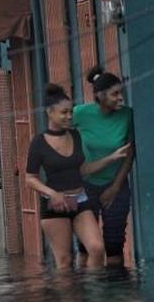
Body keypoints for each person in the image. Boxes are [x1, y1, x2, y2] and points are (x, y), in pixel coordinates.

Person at [25, 83, 130, 270]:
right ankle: (68, 290)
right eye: (64, 112)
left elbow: (83, 169)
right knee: (65, 261)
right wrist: (52, 193)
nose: (69, 116)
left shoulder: (75, 136)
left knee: (97, 249)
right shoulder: (38, 143)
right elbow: (30, 178)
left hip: (80, 200)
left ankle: (92, 288)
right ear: (50, 112)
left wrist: (111, 158)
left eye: (71, 112)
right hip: (55, 205)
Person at [73, 67, 135, 267]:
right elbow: (57, 129)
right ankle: (83, 284)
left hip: (116, 186)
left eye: (121, 93)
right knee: (86, 246)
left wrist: (115, 187)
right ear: (100, 96)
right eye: (115, 94)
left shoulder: (127, 115)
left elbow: (129, 153)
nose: (120, 98)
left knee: (114, 245)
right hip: (85, 186)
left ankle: (116, 285)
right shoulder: (81, 113)